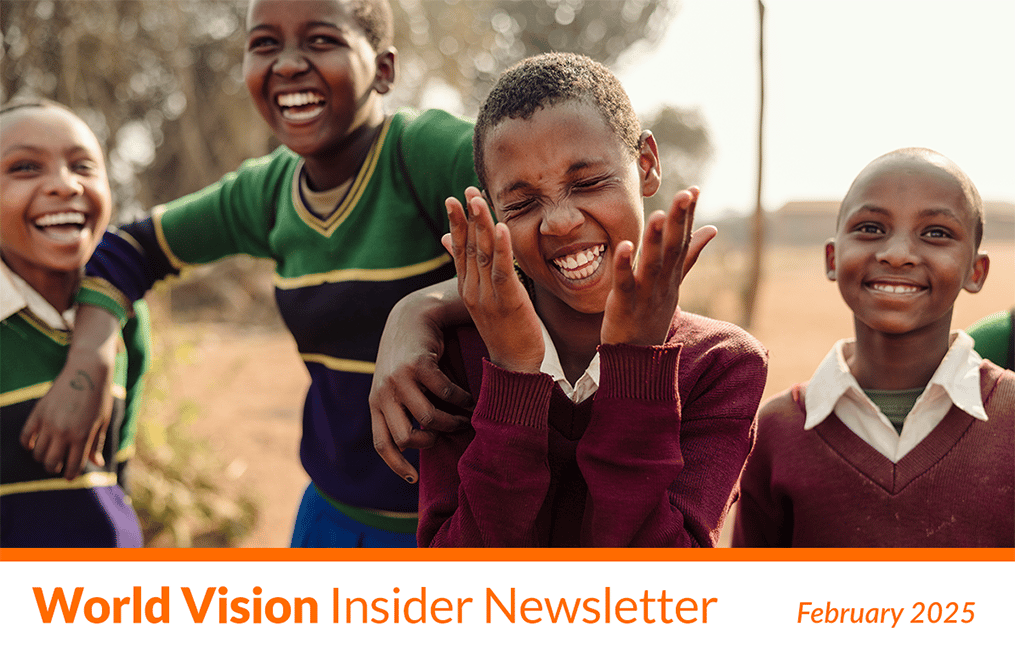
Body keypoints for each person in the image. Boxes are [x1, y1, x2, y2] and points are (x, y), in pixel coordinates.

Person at [26, 0, 478, 548]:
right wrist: (89, 360)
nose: (287, 64)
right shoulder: (268, 191)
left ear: (384, 69)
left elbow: (551, 245)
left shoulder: (426, 154)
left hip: (463, 519)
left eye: (320, 40)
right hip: (332, 515)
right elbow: (132, 249)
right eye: (264, 44)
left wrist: (423, 307)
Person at [410, 53, 768, 547]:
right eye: (522, 203)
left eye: (588, 183)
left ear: (646, 165)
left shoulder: (722, 365)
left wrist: (637, 366)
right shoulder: (459, 359)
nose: (559, 221)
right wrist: (514, 371)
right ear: (494, 214)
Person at [733, 148, 1014, 548]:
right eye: (870, 228)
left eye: (936, 233)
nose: (897, 254)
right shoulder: (777, 431)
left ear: (976, 270)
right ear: (832, 258)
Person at [1, 100, 149, 547]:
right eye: (25, 167)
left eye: (83, 166)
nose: (65, 185)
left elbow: (115, 472)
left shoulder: (125, 314)